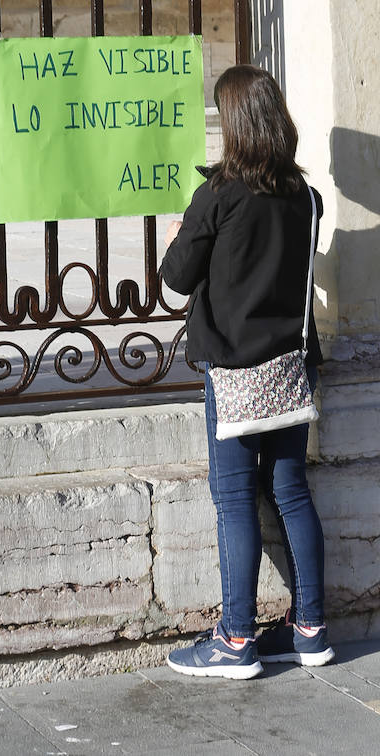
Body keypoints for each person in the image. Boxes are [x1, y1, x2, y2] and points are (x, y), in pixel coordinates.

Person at [160, 65, 334, 680]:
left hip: (235, 374)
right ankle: (310, 629)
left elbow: (177, 276)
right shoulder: (305, 197)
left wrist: (180, 233)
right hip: (289, 369)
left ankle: (236, 640)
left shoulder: (219, 195)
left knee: (235, 500)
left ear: (232, 125)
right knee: (290, 492)